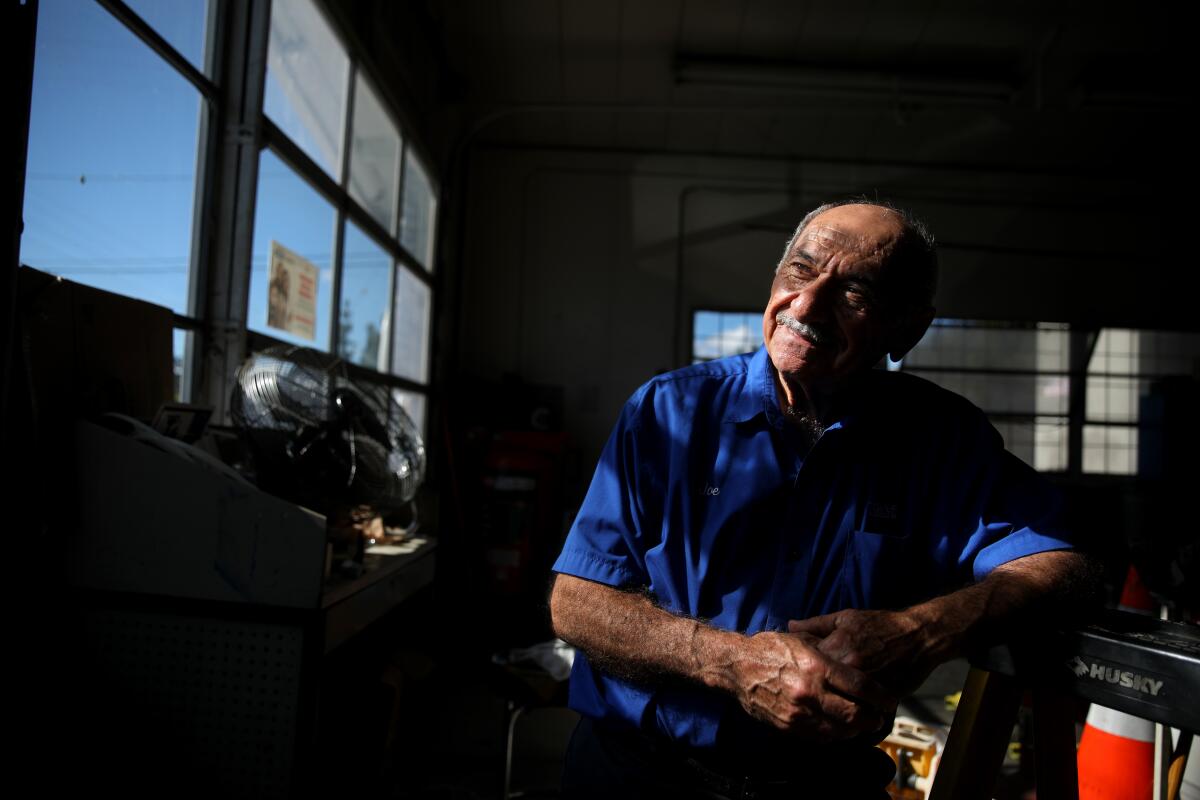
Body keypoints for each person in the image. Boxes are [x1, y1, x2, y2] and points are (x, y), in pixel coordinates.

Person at [548, 200, 1095, 798]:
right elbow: (575, 602)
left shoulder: (942, 440)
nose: (807, 307)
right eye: (800, 273)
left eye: (855, 294)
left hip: (822, 782)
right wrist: (730, 662)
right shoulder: (670, 413)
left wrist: (922, 630)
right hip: (635, 775)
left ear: (907, 328)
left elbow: (1064, 566)